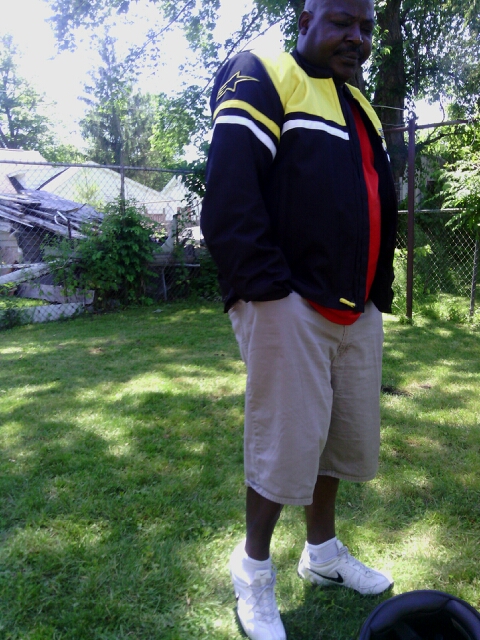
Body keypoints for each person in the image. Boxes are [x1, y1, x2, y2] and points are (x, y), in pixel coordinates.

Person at [200, 0, 398, 638]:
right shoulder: (264, 71)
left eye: (365, 27)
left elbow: (371, 198)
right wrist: (267, 292)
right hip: (287, 303)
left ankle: (323, 554)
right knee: (284, 447)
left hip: (355, 307)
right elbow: (230, 193)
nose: (356, 37)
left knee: (337, 440)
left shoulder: (359, 105)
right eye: (342, 21)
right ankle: (253, 572)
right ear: (306, 18)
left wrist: (376, 294)